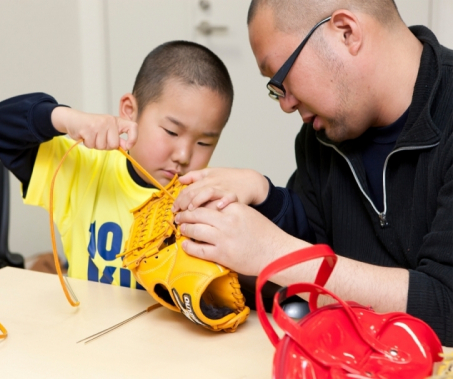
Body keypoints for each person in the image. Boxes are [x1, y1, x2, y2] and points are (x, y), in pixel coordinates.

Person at [172, 0, 453, 346]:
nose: (285, 104)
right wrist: (263, 195)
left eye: (282, 78)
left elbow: (446, 306)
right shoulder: (322, 138)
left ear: (346, 32)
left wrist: (273, 253)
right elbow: (315, 246)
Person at [0, 40, 233, 289]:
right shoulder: (83, 169)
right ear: (129, 111)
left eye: (204, 143)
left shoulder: (209, 201)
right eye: (171, 131)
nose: (183, 155)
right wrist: (65, 118)